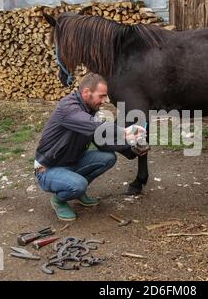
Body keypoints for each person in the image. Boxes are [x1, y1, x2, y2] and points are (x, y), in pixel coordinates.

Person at [34, 73, 147, 221]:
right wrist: (125, 131)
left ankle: (77, 191)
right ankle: (59, 200)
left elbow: (100, 139)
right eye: (102, 96)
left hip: (71, 162)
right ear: (87, 92)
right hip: (48, 168)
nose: (105, 100)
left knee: (108, 158)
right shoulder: (68, 108)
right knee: (78, 184)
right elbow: (96, 127)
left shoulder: (89, 109)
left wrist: (130, 149)